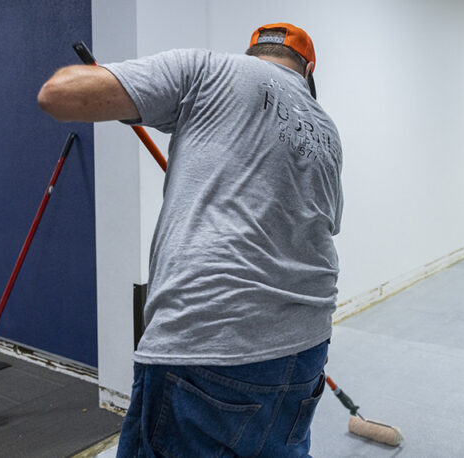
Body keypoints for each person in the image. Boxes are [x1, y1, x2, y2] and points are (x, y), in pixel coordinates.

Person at [37, 23, 343, 457]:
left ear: (252, 52)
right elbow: (324, 224)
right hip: (307, 345)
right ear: (308, 70)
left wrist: (140, 100)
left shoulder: (209, 70)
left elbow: (58, 93)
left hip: (210, 342)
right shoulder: (326, 129)